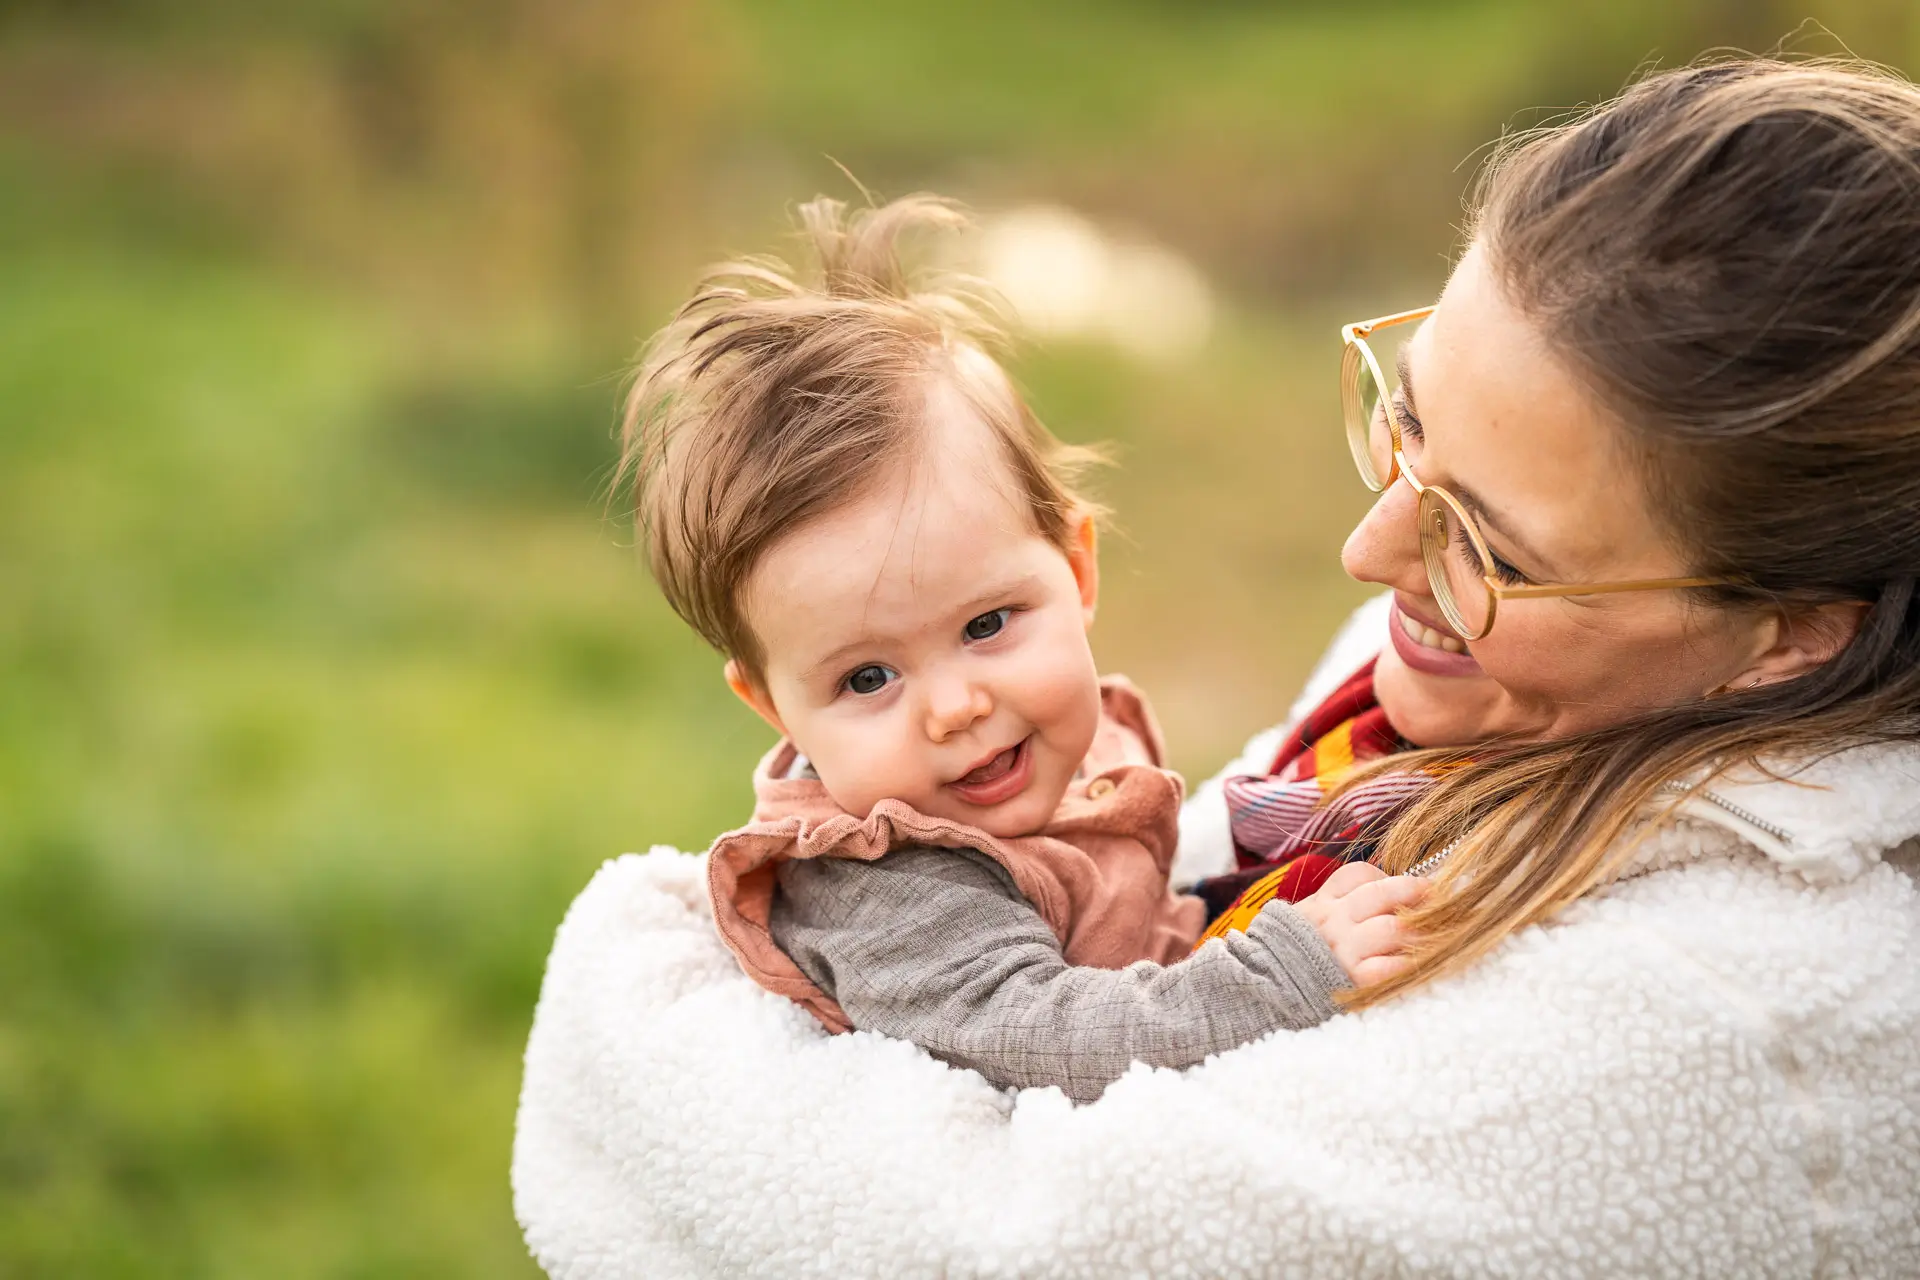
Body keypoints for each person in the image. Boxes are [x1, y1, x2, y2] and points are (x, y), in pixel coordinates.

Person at [514, 57, 1920, 1275]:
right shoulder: (1484, 677)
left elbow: (992, 1239)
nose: (1372, 554)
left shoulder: (1732, 1032)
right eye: (1406, 425)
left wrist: (637, 988)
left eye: (1488, 545)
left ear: (1793, 632)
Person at [621, 195, 1422, 1087]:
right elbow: (1044, 1038)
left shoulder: (1053, 754)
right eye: (870, 677)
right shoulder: (896, 886)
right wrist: (1275, 976)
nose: (956, 705)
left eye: (986, 625)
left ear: (1076, 571)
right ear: (773, 706)